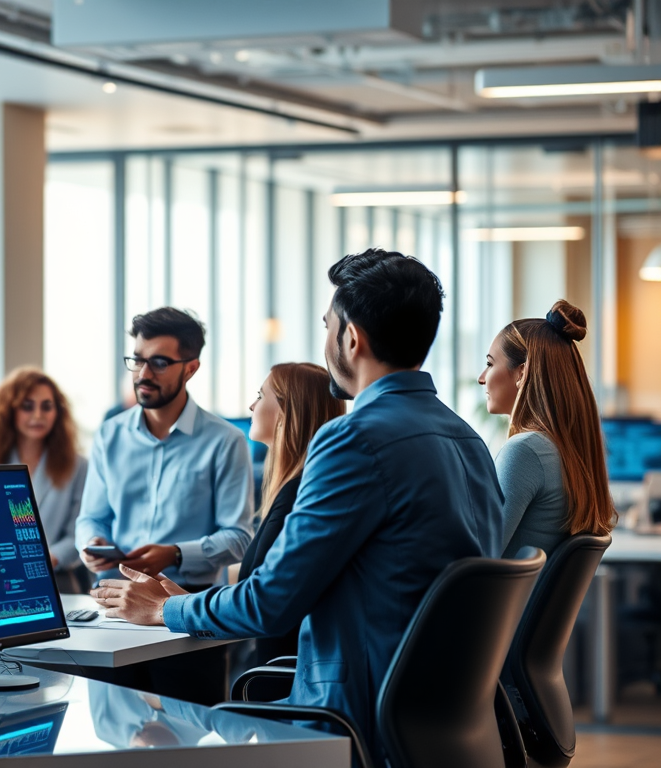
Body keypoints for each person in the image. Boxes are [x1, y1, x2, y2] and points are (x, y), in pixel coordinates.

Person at [91, 249, 505, 760]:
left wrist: (165, 609)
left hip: (347, 723)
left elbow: (269, 603)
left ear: (351, 338)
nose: (326, 338)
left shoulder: (353, 439)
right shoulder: (468, 440)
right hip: (441, 722)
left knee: (149, 722)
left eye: (328, 325)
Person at [75, 306, 254, 704]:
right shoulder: (109, 435)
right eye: (137, 359)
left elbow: (240, 537)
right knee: (112, 736)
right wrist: (90, 542)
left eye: (158, 362)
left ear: (190, 368)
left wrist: (173, 554)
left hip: (187, 610)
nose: (142, 373)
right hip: (114, 605)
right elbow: (91, 515)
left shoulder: (225, 442)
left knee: (190, 738)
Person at [478, 300, 614, 558]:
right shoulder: (563, 450)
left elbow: (479, 553)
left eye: (490, 363)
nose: (481, 377)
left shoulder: (525, 451)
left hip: (503, 599)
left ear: (521, 373)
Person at [239, 362, 345, 666]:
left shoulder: (297, 496)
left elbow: (260, 602)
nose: (251, 405)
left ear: (287, 411)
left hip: (280, 681)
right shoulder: (303, 488)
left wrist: (174, 605)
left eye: (260, 396)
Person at [0, 367, 87, 589]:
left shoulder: (78, 466)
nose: (38, 416)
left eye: (47, 406)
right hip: (2, 579)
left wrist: (46, 559)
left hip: (58, 580)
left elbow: (80, 534)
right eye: (27, 407)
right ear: (9, 411)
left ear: (58, 412)